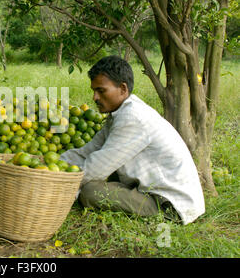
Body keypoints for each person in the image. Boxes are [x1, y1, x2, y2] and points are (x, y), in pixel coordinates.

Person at [60, 55, 205, 225]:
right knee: (93, 183)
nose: (95, 98)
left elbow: (97, 168)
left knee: (90, 192)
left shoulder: (133, 118)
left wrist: (59, 185)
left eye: (101, 90)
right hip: (151, 190)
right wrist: (54, 165)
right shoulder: (119, 114)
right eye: (94, 91)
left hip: (169, 204)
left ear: (123, 89)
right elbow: (89, 150)